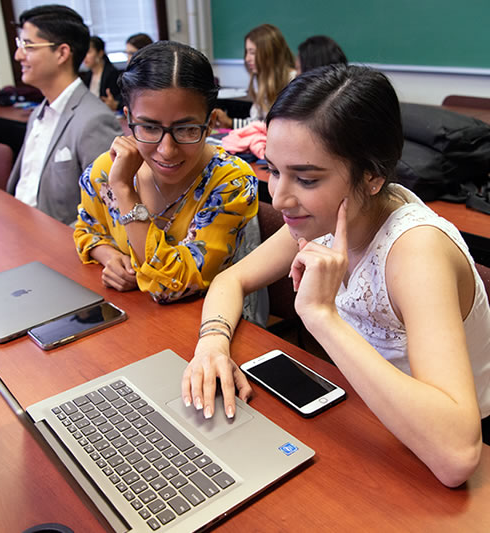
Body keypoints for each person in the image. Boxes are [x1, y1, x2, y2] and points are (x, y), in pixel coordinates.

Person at [182, 64, 490, 487]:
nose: (280, 195)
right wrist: (212, 343)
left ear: (372, 176)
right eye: (273, 169)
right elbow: (231, 281)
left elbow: (457, 456)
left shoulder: (416, 253)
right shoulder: (326, 216)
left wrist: (321, 316)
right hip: (372, 417)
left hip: (440, 448)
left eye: (306, 178)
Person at [73, 41, 258, 303]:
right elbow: (87, 230)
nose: (167, 150)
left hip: (208, 326)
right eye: (149, 128)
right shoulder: (107, 170)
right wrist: (110, 257)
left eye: (186, 129)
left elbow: (173, 286)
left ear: (210, 124)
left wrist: (125, 191)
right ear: (128, 120)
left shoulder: (230, 182)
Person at [6, 4, 123, 225]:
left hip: (56, 243)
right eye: (20, 45)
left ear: (62, 53)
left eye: (28, 46)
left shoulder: (94, 120)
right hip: (18, 226)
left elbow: (109, 212)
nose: (18, 55)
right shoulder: (38, 114)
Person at [214, 24, 295, 129]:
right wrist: (230, 122)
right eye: (247, 52)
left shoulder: (293, 80)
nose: (247, 58)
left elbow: (277, 127)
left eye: (252, 52)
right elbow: (257, 123)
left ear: (269, 53)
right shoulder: (261, 80)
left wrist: (230, 122)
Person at [81, 36, 121, 109]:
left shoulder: (111, 73)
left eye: (88, 52)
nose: (84, 56)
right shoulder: (88, 74)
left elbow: (117, 100)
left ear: (100, 53)